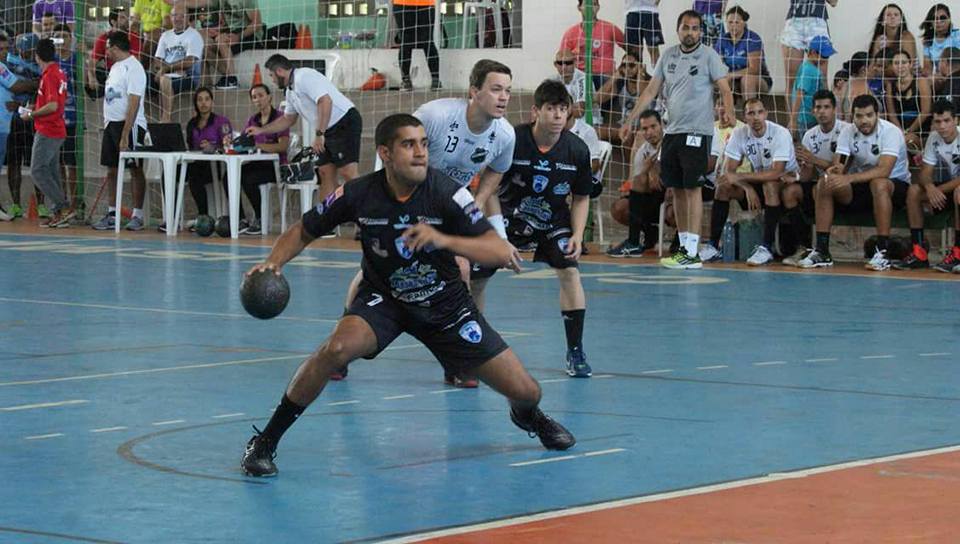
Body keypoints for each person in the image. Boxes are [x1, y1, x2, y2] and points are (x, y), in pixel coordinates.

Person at [239, 113, 576, 478]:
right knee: (335, 349)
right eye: (408, 145)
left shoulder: (446, 192)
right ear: (385, 152)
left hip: (445, 305)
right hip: (385, 300)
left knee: (528, 391)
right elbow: (304, 229)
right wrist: (273, 263)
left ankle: (528, 416)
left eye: (424, 144)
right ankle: (265, 441)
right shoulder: (358, 193)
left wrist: (443, 239)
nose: (420, 153)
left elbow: (498, 251)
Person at [342, 59, 520, 387]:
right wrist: (377, 201)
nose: (504, 97)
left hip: (448, 206)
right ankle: (344, 340)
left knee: (464, 270)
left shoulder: (504, 134)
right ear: (474, 92)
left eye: (508, 90)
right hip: (406, 199)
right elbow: (392, 150)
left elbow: (497, 169)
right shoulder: (436, 116)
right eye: (496, 89)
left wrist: (477, 207)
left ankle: (461, 358)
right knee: (376, 273)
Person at [472, 80, 593, 378]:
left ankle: (575, 350)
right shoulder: (511, 139)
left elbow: (581, 198)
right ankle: (471, 349)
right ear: (535, 111)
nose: (557, 116)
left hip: (552, 222)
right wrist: (498, 236)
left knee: (570, 271)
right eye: (551, 109)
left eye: (562, 109)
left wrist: (577, 235)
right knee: (476, 279)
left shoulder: (577, 150)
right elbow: (490, 189)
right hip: (507, 220)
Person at [621, 9, 735, 270]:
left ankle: (693, 252)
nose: (690, 32)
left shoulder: (709, 55)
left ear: (701, 31)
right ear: (678, 29)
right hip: (672, 132)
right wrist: (630, 120)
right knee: (678, 189)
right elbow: (651, 90)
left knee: (693, 188)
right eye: (686, 27)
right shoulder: (668, 55)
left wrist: (729, 110)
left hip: (697, 132)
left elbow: (725, 88)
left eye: (695, 28)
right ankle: (684, 248)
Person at [799, 94, 911, 271]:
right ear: (853, 117)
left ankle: (883, 251)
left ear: (877, 115)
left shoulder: (891, 132)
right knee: (825, 183)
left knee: (879, 183)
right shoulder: (848, 132)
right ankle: (822, 250)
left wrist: (848, 178)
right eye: (859, 116)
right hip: (863, 186)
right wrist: (833, 173)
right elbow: (839, 165)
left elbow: (884, 170)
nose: (864, 120)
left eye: (869, 115)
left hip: (894, 186)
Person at [248, 54, 361, 201]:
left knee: (348, 172)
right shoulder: (290, 91)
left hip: (343, 121)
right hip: (327, 128)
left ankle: (367, 216)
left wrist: (320, 134)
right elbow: (288, 119)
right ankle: (325, 219)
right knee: (325, 172)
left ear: (280, 71)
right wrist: (261, 130)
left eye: (271, 75)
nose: (272, 80)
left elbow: (325, 101)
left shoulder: (304, 76)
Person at [713, 98, 800, 266]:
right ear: (744, 117)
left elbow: (776, 172)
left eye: (760, 112)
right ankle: (713, 245)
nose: (756, 117)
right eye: (751, 113)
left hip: (787, 185)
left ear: (766, 114)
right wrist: (746, 187)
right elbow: (728, 172)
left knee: (770, 185)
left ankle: (766, 247)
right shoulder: (739, 134)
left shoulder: (780, 133)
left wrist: (741, 178)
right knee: (723, 188)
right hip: (758, 184)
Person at [91, 31, 150, 232]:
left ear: (115, 48)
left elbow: (134, 101)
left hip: (131, 125)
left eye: (107, 48)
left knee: (135, 169)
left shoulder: (135, 68)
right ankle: (112, 212)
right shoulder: (114, 67)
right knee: (112, 168)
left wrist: (126, 133)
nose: (106, 52)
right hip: (111, 125)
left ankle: (137, 215)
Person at [894, 100, 960, 271]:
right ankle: (919, 252)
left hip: (955, 189)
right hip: (947, 189)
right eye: (938, 122)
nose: (942, 126)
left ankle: (958, 254)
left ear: (956, 121)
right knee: (915, 191)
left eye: (947, 121)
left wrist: (937, 191)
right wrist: (930, 188)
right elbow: (925, 172)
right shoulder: (934, 137)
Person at [787, 89, 850, 266]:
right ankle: (804, 247)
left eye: (826, 107)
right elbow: (807, 177)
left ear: (834, 109)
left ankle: (822, 249)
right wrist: (804, 166)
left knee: (824, 183)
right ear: (812, 111)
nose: (822, 111)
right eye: (818, 108)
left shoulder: (846, 130)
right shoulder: (810, 135)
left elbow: (840, 170)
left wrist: (813, 159)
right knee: (790, 191)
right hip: (821, 185)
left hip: (845, 186)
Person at [25, 38, 72, 228]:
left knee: (37, 170)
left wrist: (32, 114)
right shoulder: (59, 72)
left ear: (37, 56)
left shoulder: (50, 75)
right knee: (51, 172)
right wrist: (35, 106)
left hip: (48, 130)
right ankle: (59, 213)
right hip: (56, 129)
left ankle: (63, 206)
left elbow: (52, 106)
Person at [607, 109, 664, 257]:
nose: (650, 132)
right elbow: (638, 182)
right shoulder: (643, 150)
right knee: (619, 208)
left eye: (653, 127)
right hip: (652, 200)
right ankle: (642, 236)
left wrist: (653, 169)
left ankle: (680, 241)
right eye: (645, 129)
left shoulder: (670, 144)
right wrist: (647, 171)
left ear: (662, 125)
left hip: (672, 199)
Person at [239, 83, 290, 234]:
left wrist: (259, 146)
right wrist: (233, 144)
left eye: (261, 95)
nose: (258, 99)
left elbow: (282, 146)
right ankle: (241, 219)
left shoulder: (281, 117)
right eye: (254, 97)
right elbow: (245, 142)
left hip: (277, 167)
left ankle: (261, 218)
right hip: (258, 163)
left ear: (269, 97)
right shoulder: (252, 120)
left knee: (249, 179)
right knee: (228, 177)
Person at [183, 87, 233, 228]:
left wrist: (213, 147)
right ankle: (170, 218)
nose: (203, 103)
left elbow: (227, 146)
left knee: (194, 177)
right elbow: (190, 147)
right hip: (196, 163)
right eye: (199, 100)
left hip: (216, 166)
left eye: (207, 99)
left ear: (212, 102)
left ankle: (203, 217)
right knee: (170, 174)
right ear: (195, 103)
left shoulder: (221, 121)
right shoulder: (192, 124)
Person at [0, 35, 38, 221]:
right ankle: (8, 205)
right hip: (5, 123)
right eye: (1, 49)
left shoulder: (6, 66)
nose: (5, 52)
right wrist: (39, 83)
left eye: (7, 48)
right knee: (8, 163)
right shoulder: (3, 67)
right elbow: (16, 87)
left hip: (12, 122)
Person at [152, 2, 204, 123]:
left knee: (164, 79)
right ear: (170, 17)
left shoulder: (194, 35)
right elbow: (157, 60)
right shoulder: (165, 35)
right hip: (167, 73)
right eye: (174, 15)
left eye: (182, 16)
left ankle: (166, 119)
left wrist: (165, 69)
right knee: (141, 78)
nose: (178, 19)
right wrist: (166, 69)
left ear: (188, 18)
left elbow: (189, 62)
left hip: (188, 77)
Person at [560, 0, 626, 90]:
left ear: (598, 8)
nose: (590, 7)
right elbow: (562, 58)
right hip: (581, 76)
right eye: (587, 4)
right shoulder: (571, 33)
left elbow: (630, 48)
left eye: (594, 4)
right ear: (579, 7)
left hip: (605, 77)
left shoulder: (609, 28)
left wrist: (621, 69)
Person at [780, 0, 836, 97]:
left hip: (817, 21)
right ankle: (792, 112)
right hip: (794, 21)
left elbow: (833, 2)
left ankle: (822, 111)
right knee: (792, 80)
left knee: (821, 79)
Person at [715, 6, 771, 101]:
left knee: (747, 80)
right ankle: (724, 112)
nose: (733, 25)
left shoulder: (752, 38)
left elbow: (755, 69)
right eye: (730, 22)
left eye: (737, 22)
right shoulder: (722, 39)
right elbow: (718, 65)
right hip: (732, 79)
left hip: (759, 79)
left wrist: (731, 75)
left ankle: (749, 112)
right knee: (718, 80)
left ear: (744, 23)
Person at [595, 52, 649, 148]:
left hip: (643, 127)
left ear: (640, 66)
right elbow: (597, 99)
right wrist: (614, 77)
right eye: (624, 65)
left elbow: (642, 95)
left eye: (632, 65)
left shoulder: (650, 82)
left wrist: (640, 74)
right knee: (595, 130)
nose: (627, 69)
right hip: (623, 126)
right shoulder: (620, 84)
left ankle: (630, 163)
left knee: (628, 135)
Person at [207, 0, 263, 90]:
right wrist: (216, 30)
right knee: (207, 48)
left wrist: (238, 36)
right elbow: (225, 24)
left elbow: (257, 23)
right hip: (233, 33)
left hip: (251, 35)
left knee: (221, 40)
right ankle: (225, 76)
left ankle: (232, 80)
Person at [86, 8, 141, 98]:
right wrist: (91, 77)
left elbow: (137, 61)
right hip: (110, 74)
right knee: (94, 74)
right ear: (113, 22)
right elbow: (92, 61)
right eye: (122, 17)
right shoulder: (104, 38)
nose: (127, 20)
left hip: (129, 74)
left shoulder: (133, 37)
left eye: (127, 17)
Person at [53, 24, 79, 213]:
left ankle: (75, 203)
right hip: (55, 120)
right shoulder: (51, 62)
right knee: (58, 163)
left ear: (71, 38)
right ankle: (60, 201)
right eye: (57, 37)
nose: (61, 40)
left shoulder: (77, 60)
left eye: (64, 36)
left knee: (72, 163)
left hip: (73, 120)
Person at [885, 49, 931, 153]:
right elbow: (891, 114)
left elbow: (926, 111)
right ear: (892, 66)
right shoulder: (890, 85)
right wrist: (900, 132)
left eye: (904, 62)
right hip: (899, 129)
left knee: (907, 142)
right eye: (896, 63)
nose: (900, 66)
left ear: (910, 64)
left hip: (920, 129)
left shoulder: (921, 82)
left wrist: (909, 131)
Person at [788, 35, 835, 136]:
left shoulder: (807, 66)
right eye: (824, 56)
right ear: (813, 52)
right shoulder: (809, 71)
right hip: (807, 119)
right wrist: (793, 120)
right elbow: (800, 94)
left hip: (811, 116)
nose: (826, 59)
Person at [393, 0, 441, 91]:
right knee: (406, 41)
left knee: (427, 41)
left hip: (426, 4)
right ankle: (406, 79)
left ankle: (435, 79)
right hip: (402, 4)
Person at [552, 48, 600, 124]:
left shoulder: (583, 79)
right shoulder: (553, 80)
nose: (564, 67)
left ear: (575, 63)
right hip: (563, 120)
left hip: (588, 121)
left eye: (568, 63)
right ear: (555, 64)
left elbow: (579, 112)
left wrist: (554, 112)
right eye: (560, 63)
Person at [920, 4, 960, 77]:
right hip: (938, 78)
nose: (938, 21)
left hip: (956, 75)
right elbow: (928, 69)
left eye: (942, 18)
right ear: (931, 22)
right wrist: (918, 70)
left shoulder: (957, 35)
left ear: (949, 20)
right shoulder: (928, 41)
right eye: (935, 18)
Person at [130, 0, 173, 68]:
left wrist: (150, 35)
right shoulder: (139, 1)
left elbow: (167, 25)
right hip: (144, 34)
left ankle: (144, 69)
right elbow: (135, 22)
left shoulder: (163, 1)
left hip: (161, 34)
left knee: (149, 41)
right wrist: (130, 32)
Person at [624, 1, 663, 67]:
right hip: (632, 10)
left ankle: (658, 75)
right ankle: (638, 76)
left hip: (650, 11)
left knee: (653, 48)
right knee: (634, 51)